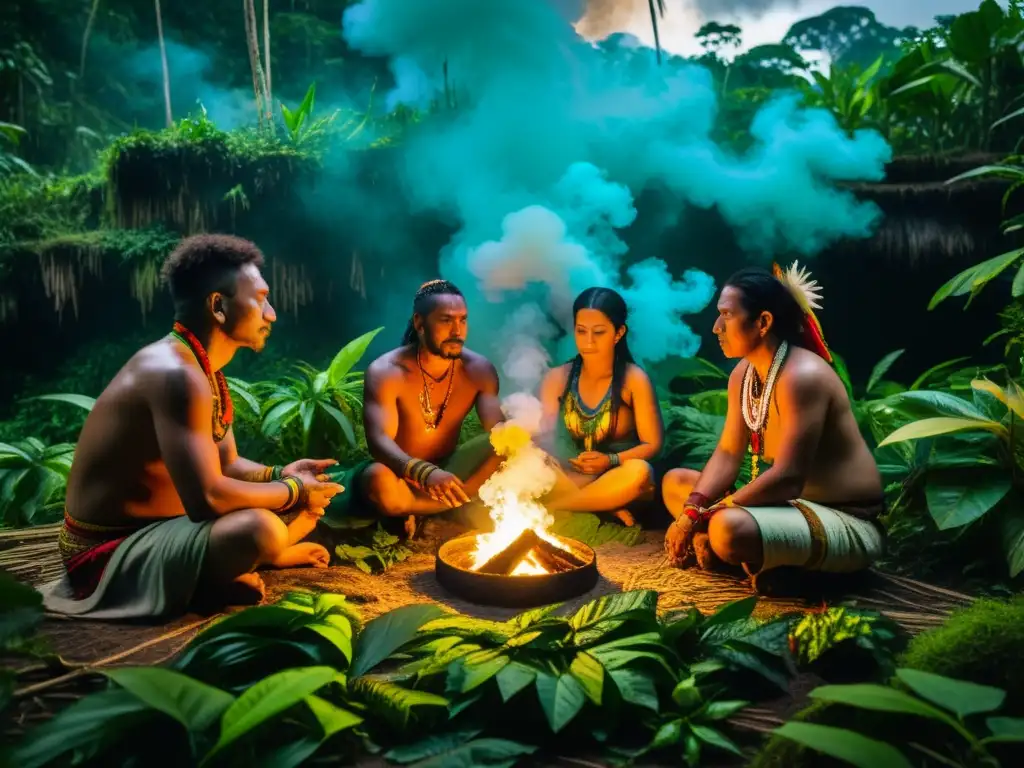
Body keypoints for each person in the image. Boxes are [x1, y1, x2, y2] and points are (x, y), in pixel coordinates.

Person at [40, 234, 344, 620]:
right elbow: (208, 500)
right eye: (262, 298)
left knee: (274, 512)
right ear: (218, 306)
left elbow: (228, 463)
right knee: (260, 528)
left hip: (163, 530)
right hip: (106, 554)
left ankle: (228, 567)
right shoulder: (175, 374)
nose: (272, 314)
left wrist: (281, 474)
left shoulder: (202, 369)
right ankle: (223, 573)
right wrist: (295, 491)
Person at [662, 262, 885, 594]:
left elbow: (788, 478)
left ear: (763, 322)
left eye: (726, 315)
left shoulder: (802, 376)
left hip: (846, 520)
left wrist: (705, 516)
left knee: (726, 529)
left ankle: (770, 562)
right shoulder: (744, 374)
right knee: (676, 484)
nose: (715, 327)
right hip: (789, 509)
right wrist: (693, 511)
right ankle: (761, 558)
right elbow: (726, 453)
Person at [322, 279, 505, 536]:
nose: (457, 330)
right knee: (378, 479)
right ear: (420, 323)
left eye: (462, 320)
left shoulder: (479, 370)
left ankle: (428, 508)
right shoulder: (387, 371)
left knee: (507, 445)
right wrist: (423, 473)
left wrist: (522, 434)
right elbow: (379, 442)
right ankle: (439, 508)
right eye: (446, 320)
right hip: (400, 473)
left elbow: (497, 431)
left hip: (450, 470)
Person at [537, 287, 663, 526]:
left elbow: (653, 444)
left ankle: (555, 507)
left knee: (641, 473)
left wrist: (609, 461)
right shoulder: (557, 378)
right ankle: (600, 505)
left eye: (599, 333)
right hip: (571, 475)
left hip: (617, 477)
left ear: (618, 333)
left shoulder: (633, 379)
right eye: (581, 331)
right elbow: (546, 437)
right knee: (523, 456)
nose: (588, 342)